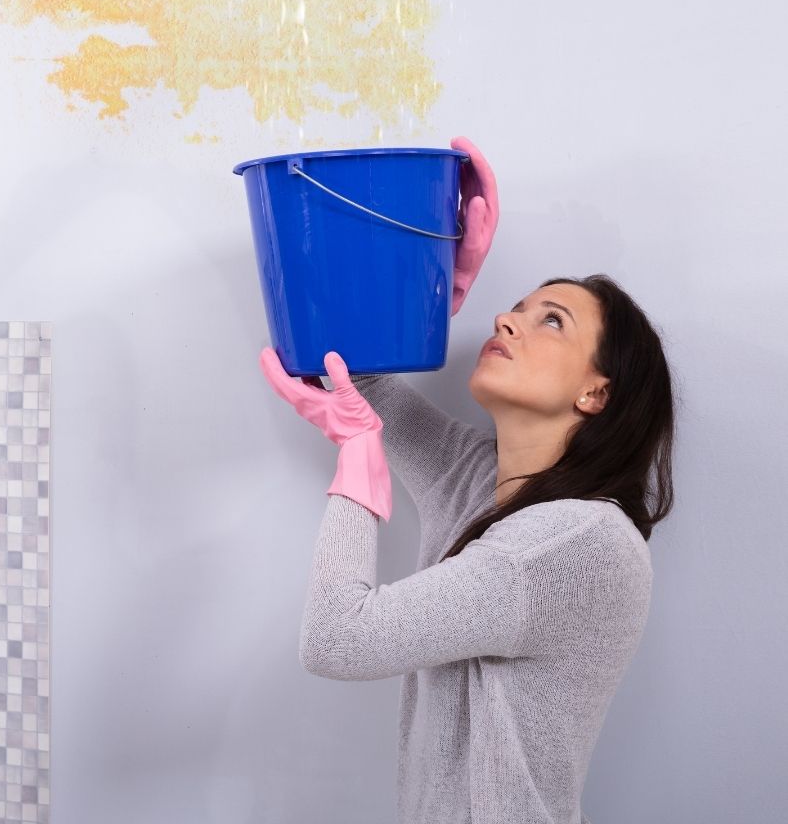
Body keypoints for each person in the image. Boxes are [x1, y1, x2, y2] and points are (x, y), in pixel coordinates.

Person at [259, 137, 673, 824]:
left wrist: (358, 461)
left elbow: (336, 639)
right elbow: (347, 374)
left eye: (552, 321)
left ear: (597, 392)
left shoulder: (575, 542)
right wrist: (421, 286)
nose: (507, 319)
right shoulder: (480, 479)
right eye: (517, 307)